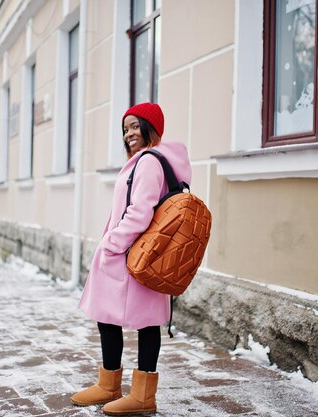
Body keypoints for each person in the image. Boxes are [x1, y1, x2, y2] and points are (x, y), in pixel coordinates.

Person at [72, 102, 192, 415]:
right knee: (109, 316)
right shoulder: (144, 161)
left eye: (136, 127)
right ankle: (109, 385)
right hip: (133, 253)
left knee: (145, 322)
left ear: (151, 128)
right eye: (126, 129)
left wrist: (112, 243)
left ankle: (141, 397)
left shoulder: (150, 162)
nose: (129, 135)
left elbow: (140, 212)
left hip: (133, 255)